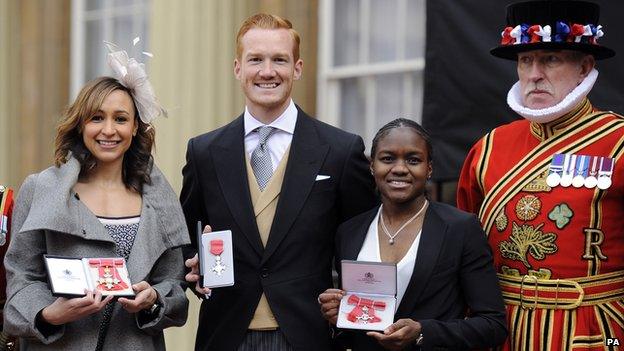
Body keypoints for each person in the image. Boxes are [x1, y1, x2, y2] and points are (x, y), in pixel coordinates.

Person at [182, 13, 377, 351]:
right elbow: (185, 238)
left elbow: (363, 246)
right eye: (255, 59)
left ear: (297, 68)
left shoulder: (342, 151)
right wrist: (194, 268)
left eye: (279, 60)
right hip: (225, 334)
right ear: (237, 68)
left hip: (310, 334)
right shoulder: (204, 152)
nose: (267, 71)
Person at [457, 1, 624, 349]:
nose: (534, 74)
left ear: (585, 67)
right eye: (525, 60)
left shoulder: (618, 142)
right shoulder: (487, 149)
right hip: (502, 330)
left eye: (550, 59)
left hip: (595, 330)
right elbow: (464, 252)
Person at [3, 42, 189, 350]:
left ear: (135, 128)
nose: (108, 130)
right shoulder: (41, 189)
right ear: (81, 124)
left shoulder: (159, 198)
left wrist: (154, 298)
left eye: (120, 119)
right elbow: (21, 279)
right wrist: (50, 314)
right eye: (97, 118)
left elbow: (175, 285)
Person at [318, 118, 507, 350]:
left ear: (429, 169)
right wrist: (338, 314)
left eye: (413, 160)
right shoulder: (349, 232)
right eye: (387, 158)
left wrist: (423, 331)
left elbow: (493, 324)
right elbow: (353, 323)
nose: (399, 168)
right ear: (371, 166)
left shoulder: (460, 228)